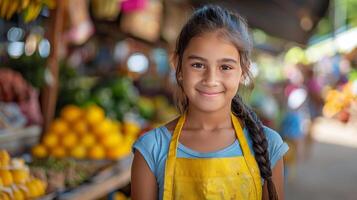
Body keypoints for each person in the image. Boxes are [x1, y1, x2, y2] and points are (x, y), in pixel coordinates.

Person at [131, 5, 289, 200]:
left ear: (243, 70)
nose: (211, 79)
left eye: (225, 67)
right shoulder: (151, 149)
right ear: (177, 66)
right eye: (198, 65)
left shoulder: (269, 146)